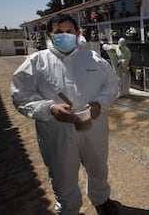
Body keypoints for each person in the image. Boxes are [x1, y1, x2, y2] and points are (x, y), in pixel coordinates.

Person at [11, 13, 121, 215]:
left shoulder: (93, 59)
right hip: (56, 131)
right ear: (49, 35)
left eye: (69, 31)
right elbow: (20, 95)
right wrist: (49, 108)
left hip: (93, 126)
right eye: (59, 32)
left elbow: (112, 85)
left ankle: (101, 199)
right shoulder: (36, 62)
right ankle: (69, 209)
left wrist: (100, 103)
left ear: (78, 33)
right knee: (63, 174)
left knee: (98, 166)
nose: (65, 35)